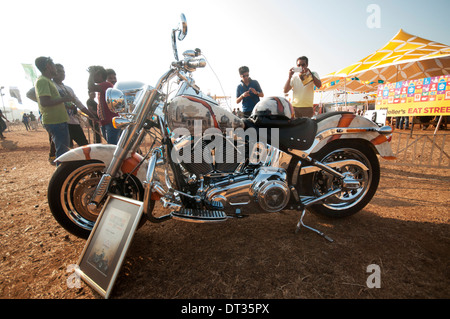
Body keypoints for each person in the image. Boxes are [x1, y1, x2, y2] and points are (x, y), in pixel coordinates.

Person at [34, 56, 73, 162]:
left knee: (63, 150)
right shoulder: (42, 81)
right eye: (54, 66)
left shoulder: (47, 81)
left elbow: (51, 100)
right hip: (56, 122)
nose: (56, 69)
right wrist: (64, 99)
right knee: (62, 152)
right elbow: (45, 102)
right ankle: (61, 175)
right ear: (48, 66)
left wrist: (65, 103)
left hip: (58, 121)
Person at [53, 63, 97, 148]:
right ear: (53, 72)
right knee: (66, 147)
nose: (62, 74)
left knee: (84, 145)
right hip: (60, 122)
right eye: (59, 71)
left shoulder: (68, 89)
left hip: (73, 121)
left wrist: (91, 116)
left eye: (63, 72)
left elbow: (79, 103)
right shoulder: (51, 86)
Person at [88, 65, 121, 144]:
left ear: (99, 75)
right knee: (112, 145)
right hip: (105, 122)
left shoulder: (107, 85)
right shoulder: (102, 87)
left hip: (110, 122)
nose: (93, 78)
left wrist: (91, 73)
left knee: (112, 146)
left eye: (94, 75)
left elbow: (90, 87)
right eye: (111, 78)